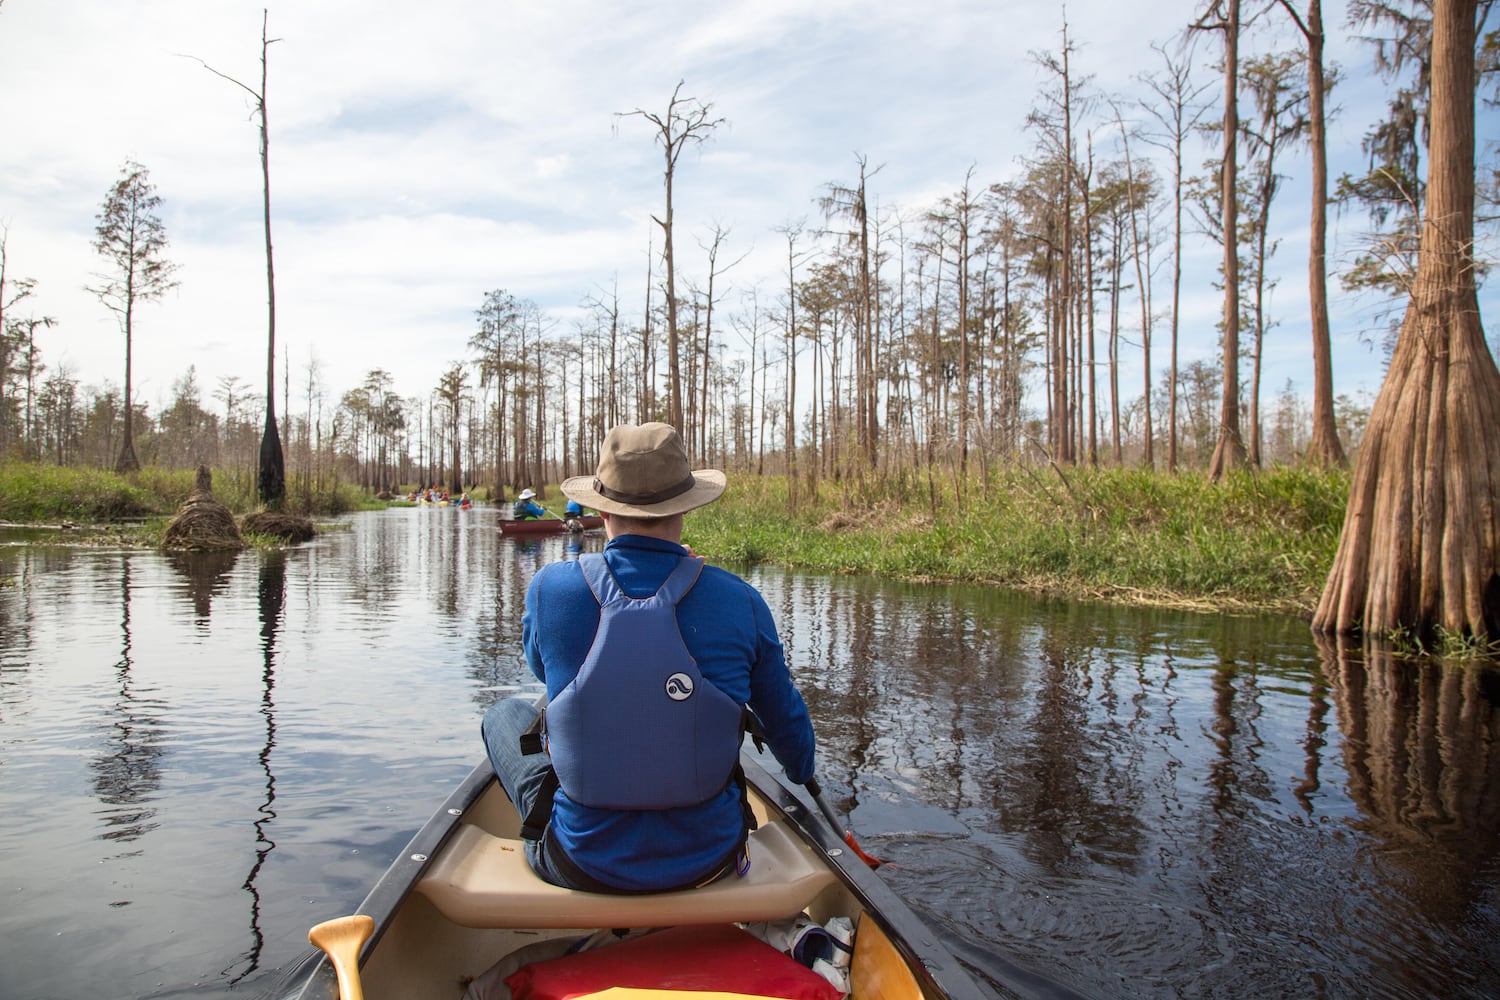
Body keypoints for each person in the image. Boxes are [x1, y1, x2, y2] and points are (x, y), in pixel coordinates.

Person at [481, 422, 817, 893]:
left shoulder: (549, 589)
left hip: (578, 861)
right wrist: (802, 772)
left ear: (601, 510)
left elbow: (546, 673)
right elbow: (786, 724)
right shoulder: (740, 599)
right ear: (685, 508)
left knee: (506, 714)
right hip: (710, 858)